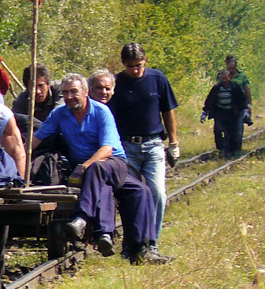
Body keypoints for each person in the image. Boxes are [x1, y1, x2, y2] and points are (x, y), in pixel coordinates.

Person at [31, 74, 166, 264]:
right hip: (92, 172)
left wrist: (84, 166)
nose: (70, 96)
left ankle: (82, 217)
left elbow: (107, 149)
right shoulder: (59, 114)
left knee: (97, 168)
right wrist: (20, 158)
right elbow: (36, 139)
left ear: (85, 93)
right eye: (66, 92)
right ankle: (132, 247)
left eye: (74, 92)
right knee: (140, 191)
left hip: (114, 164)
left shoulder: (101, 112)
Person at [108, 43, 179, 248]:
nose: (135, 70)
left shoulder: (158, 79)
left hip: (153, 144)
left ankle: (152, 242)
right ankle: (133, 243)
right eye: (130, 66)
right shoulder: (117, 83)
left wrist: (173, 142)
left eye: (139, 65)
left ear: (145, 61)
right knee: (131, 194)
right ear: (124, 65)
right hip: (126, 145)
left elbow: (168, 110)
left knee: (157, 192)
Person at [201, 70, 249, 157]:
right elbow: (209, 100)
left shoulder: (235, 87)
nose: (224, 80)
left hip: (233, 112)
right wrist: (205, 112)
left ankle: (233, 151)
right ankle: (221, 149)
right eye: (222, 78)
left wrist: (245, 111)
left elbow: (242, 99)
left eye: (226, 78)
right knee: (218, 130)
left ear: (229, 78)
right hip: (220, 112)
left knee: (233, 132)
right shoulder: (216, 88)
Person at [11, 63, 64, 127]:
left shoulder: (62, 89)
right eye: (33, 87)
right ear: (27, 88)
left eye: (41, 86)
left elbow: (58, 114)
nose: (37, 91)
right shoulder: (22, 100)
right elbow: (13, 121)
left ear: (48, 85)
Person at [225, 55, 254, 150]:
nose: (231, 70)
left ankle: (237, 149)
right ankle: (227, 148)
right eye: (229, 68)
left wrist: (249, 105)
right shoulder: (223, 76)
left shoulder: (242, 77)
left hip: (239, 106)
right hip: (225, 105)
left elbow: (247, 90)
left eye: (233, 68)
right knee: (226, 128)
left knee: (237, 128)